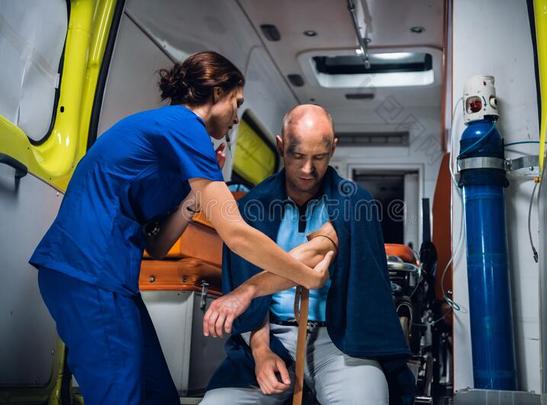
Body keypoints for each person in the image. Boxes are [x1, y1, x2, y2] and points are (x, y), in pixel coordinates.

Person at [29, 52, 333, 405]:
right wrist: (303, 275)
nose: (236, 117)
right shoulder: (183, 125)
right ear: (217, 92)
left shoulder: (178, 145)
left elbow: (156, 246)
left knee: (159, 395)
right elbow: (235, 233)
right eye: (237, 103)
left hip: (108, 279)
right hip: (87, 271)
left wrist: (193, 196)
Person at [200, 105, 415, 405]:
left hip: (340, 341)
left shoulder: (356, 203)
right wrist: (261, 353)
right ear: (280, 145)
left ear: (333, 148)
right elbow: (251, 303)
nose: (307, 169)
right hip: (270, 335)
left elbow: (316, 251)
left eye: (319, 157)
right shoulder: (251, 207)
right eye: (297, 155)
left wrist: (247, 290)